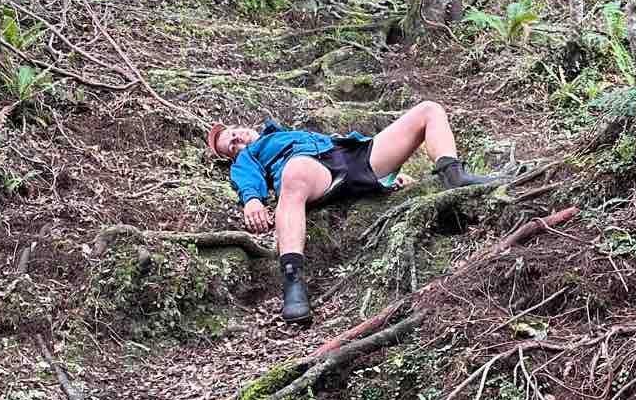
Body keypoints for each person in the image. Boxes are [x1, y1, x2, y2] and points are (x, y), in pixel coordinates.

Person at [206, 101, 491, 324]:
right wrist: (252, 200)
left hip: (352, 155)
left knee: (429, 110)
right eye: (232, 146)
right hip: (310, 171)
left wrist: (392, 174)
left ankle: (453, 173)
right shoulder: (249, 156)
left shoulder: (283, 133)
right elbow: (246, 177)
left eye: (234, 134)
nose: (238, 140)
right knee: (293, 173)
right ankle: (293, 281)